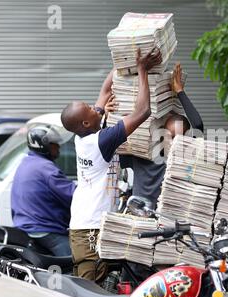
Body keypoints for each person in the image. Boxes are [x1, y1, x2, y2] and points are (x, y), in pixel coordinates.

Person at [60, 47, 162, 282]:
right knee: (89, 290)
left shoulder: (82, 134)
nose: (96, 108)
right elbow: (143, 111)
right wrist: (141, 70)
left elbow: (106, 90)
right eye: (90, 109)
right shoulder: (101, 141)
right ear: (86, 121)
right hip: (89, 230)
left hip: (89, 223)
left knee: (103, 286)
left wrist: (124, 59)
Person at [118, 62, 204, 209]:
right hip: (140, 217)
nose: (171, 142)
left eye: (178, 138)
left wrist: (180, 92)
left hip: (166, 218)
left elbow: (198, 126)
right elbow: (120, 135)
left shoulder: (182, 159)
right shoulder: (140, 153)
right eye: (168, 135)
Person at [11, 125, 76, 256]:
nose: (58, 147)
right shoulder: (47, 168)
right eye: (54, 144)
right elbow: (73, 195)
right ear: (44, 146)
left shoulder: (26, 163)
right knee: (76, 260)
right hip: (45, 229)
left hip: (24, 226)